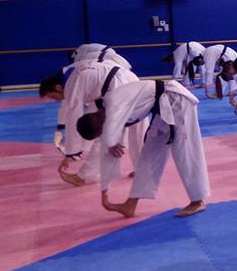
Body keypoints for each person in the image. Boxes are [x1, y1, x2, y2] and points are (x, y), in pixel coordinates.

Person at [76, 79, 209, 217]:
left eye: (99, 133)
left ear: (99, 127)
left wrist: (111, 144)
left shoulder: (113, 107)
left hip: (176, 100)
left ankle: (197, 201)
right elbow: (107, 149)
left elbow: (109, 139)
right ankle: (130, 204)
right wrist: (104, 190)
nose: (102, 135)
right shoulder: (107, 114)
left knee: (185, 150)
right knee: (149, 154)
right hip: (163, 107)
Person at [39, 61, 144, 189]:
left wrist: (71, 154)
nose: (56, 100)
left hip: (118, 88)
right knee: (137, 126)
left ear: (58, 87)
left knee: (105, 135)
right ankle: (142, 170)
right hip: (130, 79)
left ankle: (82, 177)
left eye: (53, 96)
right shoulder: (73, 71)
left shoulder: (71, 85)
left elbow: (73, 119)